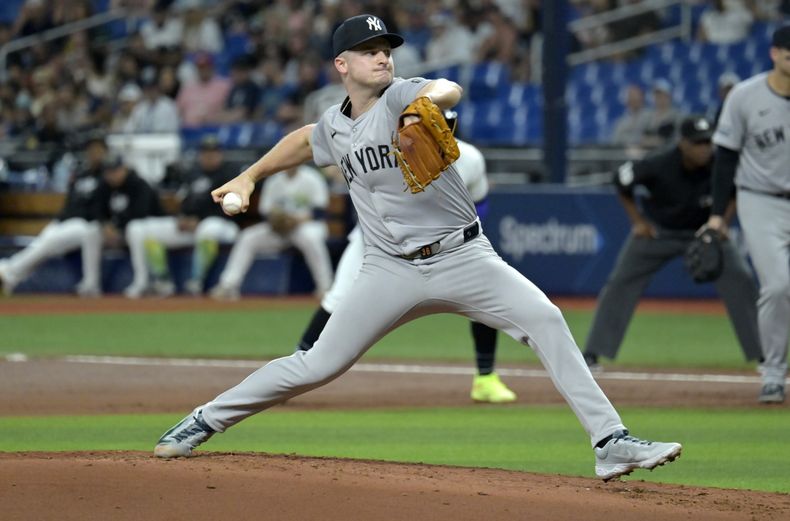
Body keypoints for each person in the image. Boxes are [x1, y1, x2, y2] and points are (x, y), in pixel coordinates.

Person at [153, 14, 682, 481]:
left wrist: (422, 104)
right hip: (387, 271)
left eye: (386, 48)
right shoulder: (336, 126)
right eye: (368, 50)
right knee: (318, 364)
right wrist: (248, 177)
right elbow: (303, 138)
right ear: (342, 63)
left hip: (464, 256)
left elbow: (449, 88)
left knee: (545, 318)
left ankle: (611, 443)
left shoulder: (404, 96)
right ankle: (204, 419)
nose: (382, 55)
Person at [295, 134, 517, 403]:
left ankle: (486, 379)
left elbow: (479, 204)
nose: (433, 126)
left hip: (443, 243)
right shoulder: (388, 154)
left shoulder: (468, 157)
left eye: (440, 121)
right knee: (338, 298)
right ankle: (294, 370)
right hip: (377, 239)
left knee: (485, 294)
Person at [582, 115, 762, 370]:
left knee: (741, 279)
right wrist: (638, 222)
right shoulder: (659, 163)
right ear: (683, 144)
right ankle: (593, 353)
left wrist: (721, 221)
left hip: (704, 234)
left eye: (708, 142)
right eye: (698, 143)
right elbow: (621, 181)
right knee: (620, 283)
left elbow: (734, 191)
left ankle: (766, 355)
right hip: (660, 234)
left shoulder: (719, 165)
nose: (704, 148)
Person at [706, 25, 790, 404]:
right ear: (775, 54)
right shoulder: (745, 96)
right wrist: (717, 214)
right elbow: (725, 159)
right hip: (761, 200)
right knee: (777, 286)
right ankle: (773, 372)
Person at [122, 136, 242, 298]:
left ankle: (196, 281)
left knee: (208, 228)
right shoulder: (193, 174)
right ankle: (161, 282)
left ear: (220, 154)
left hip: (224, 224)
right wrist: (182, 217)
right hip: (193, 226)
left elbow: (234, 207)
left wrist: (199, 219)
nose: (209, 155)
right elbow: (185, 201)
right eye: (205, 152)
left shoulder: (231, 173)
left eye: (213, 152)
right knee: (142, 230)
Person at [0, 134, 106, 297]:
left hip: (87, 224)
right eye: (91, 149)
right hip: (65, 222)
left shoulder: (108, 175)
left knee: (47, 243)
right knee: (41, 245)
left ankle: (7, 271)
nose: (94, 153)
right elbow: (70, 203)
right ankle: (9, 277)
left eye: (98, 149)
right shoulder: (82, 174)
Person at [209, 164, 334, 300]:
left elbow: (319, 212)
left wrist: (295, 220)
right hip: (279, 230)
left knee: (312, 239)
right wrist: (278, 220)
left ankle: (325, 287)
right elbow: (266, 212)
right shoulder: (274, 180)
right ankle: (228, 285)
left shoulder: (312, 177)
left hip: (305, 226)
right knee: (248, 237)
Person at [85, 156, 164, 293]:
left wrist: (118, 229)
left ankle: (141, 281)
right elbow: (95, 209)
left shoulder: (138, 183)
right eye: (108, 172)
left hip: (148, 228)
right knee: (91, 232)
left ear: (124, 169)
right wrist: (105, 225)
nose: (112, 175)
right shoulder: (104, 186)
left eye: (115, 171)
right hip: (118, 232)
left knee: (135, 229)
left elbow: (141, 212)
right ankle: (91, 283)